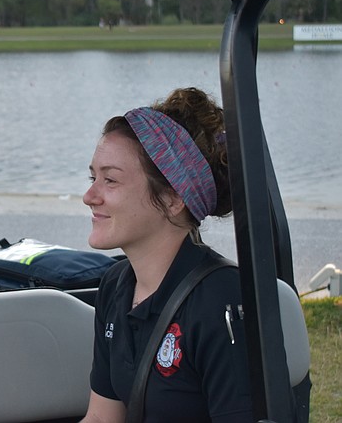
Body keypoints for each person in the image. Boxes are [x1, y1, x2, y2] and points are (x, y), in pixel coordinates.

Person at [80, 87, 253, 422]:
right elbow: (102, 417)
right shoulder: (115, 286)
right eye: (93, 177)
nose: (89, 195)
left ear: (174, 199)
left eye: (110, 181)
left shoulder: (220, 301)